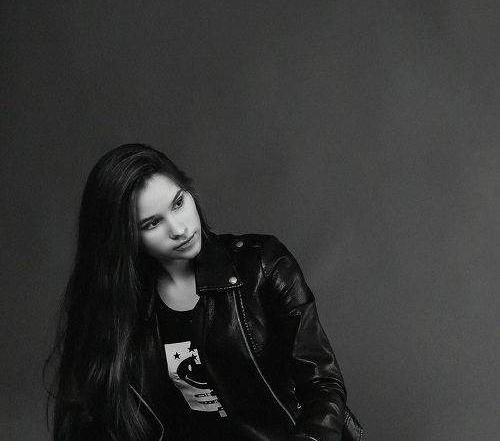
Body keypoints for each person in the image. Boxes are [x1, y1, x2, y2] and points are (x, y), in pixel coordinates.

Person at [46, 143, 351, 441]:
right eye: (152, 223)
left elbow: (323, 386)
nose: (179, 229)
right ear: (124, 237)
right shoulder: (122, 312)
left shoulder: (262, 265)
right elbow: (93, 418)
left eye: (178, 203)